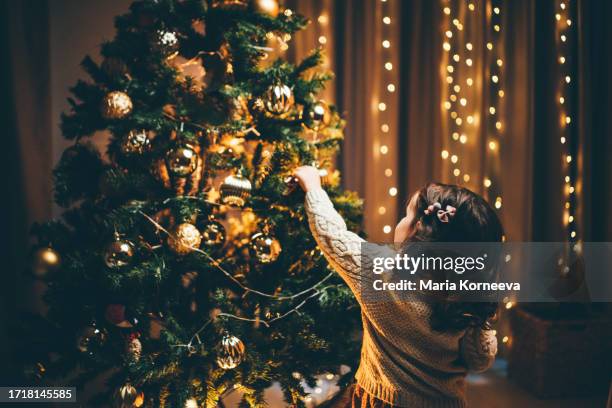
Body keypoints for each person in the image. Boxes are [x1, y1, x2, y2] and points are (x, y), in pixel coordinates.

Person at [293, 166, 503, 408]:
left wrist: (313, 188)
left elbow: (332, 236)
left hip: (382, 400)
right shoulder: (466, 298)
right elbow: (480, 360)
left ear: (420, 231)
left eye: (407, 215)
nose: (401, 220)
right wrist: (482, 320)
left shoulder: (382, 270)